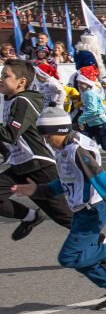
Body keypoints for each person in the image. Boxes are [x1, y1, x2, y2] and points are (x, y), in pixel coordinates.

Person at [11, 106, 106, 310]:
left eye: (47, 136)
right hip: (81, 209)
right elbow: (65, 181)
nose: (45, 141)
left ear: (60, 131)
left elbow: (98, 176)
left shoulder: (76, 149)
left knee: (68, 257)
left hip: (92, 209)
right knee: (82, 259)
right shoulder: (64, 149)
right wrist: (38, 190)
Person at [0, 58, 74, 241]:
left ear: (21, 81)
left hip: (38, 165)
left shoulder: (23, 101)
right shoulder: (9, 100)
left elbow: (10, 134)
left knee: (65, 217)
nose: (0, 78)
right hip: (19, 165)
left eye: (5, 76)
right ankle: (31, 216)